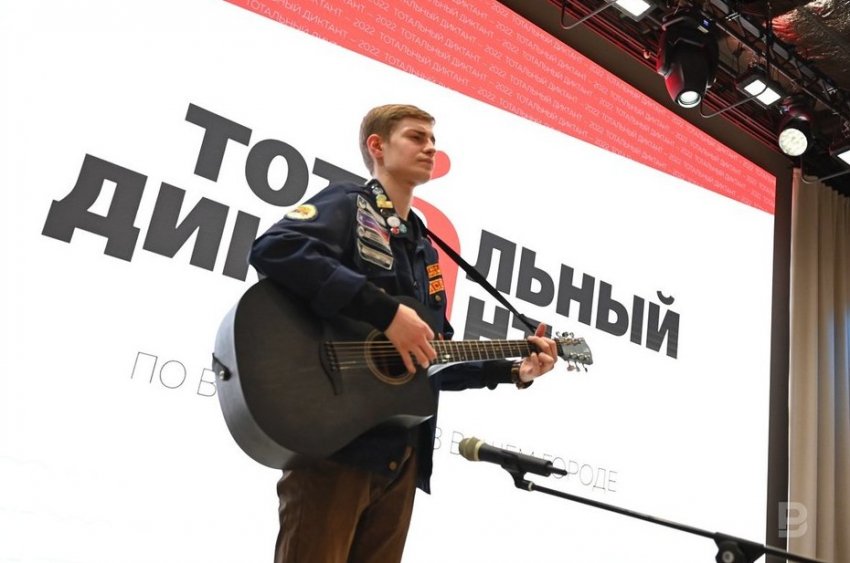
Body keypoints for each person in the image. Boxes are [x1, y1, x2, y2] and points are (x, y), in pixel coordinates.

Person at [249, 104, 558, 563]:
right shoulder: (348, 202)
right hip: (338, 443)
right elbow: (275, 248)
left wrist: (513, 370)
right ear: (377, 146)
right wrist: (387, 313)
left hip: (403, 456)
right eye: (416, 137)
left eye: (433, 139)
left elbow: (429, 358)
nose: (430, 148)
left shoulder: (425, 249)